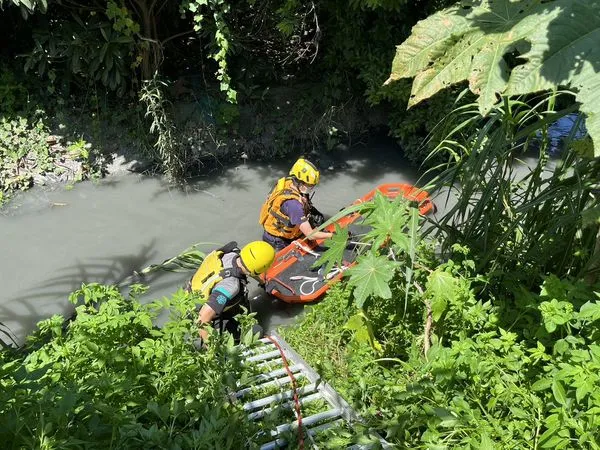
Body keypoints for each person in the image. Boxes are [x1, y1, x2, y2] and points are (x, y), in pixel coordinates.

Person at [186, 240, 275, 345]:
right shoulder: (231, 286)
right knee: (256, 331)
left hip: (190, 295)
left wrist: (263, 282)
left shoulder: (230, 254)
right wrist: (211, 350)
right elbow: (202, 319)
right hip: (198, 315)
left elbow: (248, 267)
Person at [260, 157, 333, 251]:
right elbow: (310, 235)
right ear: (300, 184)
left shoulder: (288, 183)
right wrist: (331, 235)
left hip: (276, 231)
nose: (312, 188)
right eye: (310, 186)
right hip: (278, 240)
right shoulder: (294, 205)